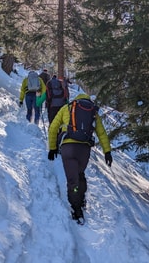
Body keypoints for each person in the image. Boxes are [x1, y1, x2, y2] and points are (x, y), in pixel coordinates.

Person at [47, 93, 113, 224]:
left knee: (73, 181)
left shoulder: (67, 108)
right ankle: (81, 199)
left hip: (68, 148)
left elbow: (53, 128)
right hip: (84, 149)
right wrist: (107, 152)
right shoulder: (93, 111)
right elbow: (101, 133)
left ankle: (76, 209)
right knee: (80, 174)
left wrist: (52, 147)